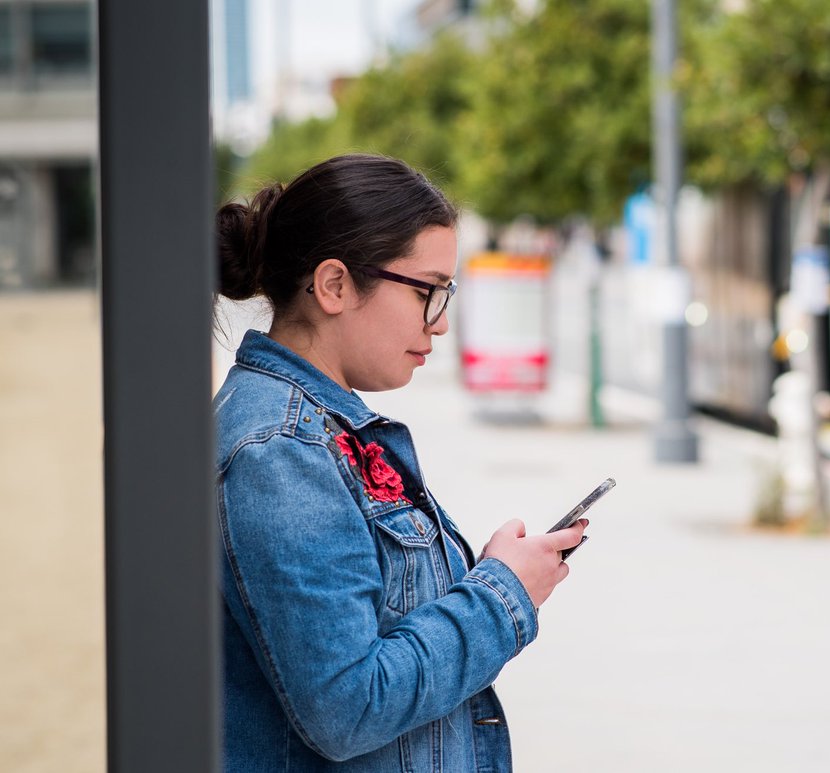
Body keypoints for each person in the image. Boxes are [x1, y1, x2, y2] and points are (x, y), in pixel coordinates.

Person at [213, 153, 588, 771]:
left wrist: (495, 575)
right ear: (334, 285)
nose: (440, 324)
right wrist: (503, 593)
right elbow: (348, 707)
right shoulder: (281, 451)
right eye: (428, 292)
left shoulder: (322, 428)